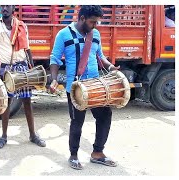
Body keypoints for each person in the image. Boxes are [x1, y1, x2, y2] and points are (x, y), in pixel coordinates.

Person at [49, 5, 119, 170]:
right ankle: (73, 156)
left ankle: (97, 153)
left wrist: (110, 67)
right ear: (81, 19)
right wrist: (53, 79)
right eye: (92, 22)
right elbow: (55, 58)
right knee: (77, 122)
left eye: (97, 22)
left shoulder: (95, 34)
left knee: (105, 115)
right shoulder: (64, 34)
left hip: (95, 85)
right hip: (76, 88)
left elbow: (100, 56)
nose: (95, 25)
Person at [0, 5, 46, 149]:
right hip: (6, 68)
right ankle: (4, 136)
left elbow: (27, 48)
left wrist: (32, 67)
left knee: (27, 102)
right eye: (3, 6)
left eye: (8, 5)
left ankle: (33, 135)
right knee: (6, 103)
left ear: (13, 8)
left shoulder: (22, 25)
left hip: (22, 66)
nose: (5, 8)